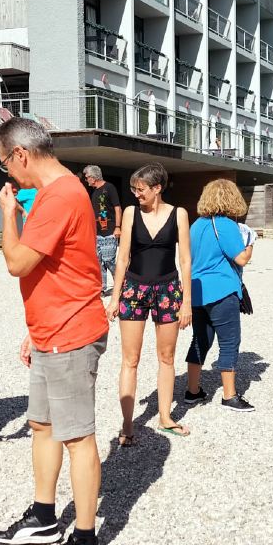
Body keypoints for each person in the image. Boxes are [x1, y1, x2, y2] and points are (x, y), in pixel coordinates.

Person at [0, 118, 110, 545]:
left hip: (71, 333)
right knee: (42, 425)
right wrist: (33, 330)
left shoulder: (59, 196)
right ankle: (43, 517)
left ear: (20, 155)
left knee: (77, 437)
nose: (8, 174)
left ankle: (86, 541)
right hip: (49, 331)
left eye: (5, 164)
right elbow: (53, 268)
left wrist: (7, 214)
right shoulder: (58, 191)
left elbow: (18, 263)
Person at [107, 162, 193, 442]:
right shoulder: (130, 213)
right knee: (130, 359)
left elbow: (185, 260)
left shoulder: (179, 214)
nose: (136, 194)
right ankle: (127, 425)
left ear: (157, 188)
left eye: (140, 189)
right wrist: (115, 298)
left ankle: (166, 417)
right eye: (133, 189)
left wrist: (187, 302)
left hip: (168, 289)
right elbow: (122, 258)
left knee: (166, 357)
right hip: (134, 288)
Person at [182, 179, 255, 412]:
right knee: (229, 341)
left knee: (200, 340)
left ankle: (193, 390)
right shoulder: (225, 225)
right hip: (221, 290)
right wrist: (251, 243)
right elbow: (241, 258)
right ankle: (229, 395)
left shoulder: (196, 225)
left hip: (197, 291)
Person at [83, 165, 121, 296]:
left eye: (87, 177)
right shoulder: (94, 192)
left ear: (93, 177)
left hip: (109, 232)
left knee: (109, 261)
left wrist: (117, 227)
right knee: (99, 263)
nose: (86, 180)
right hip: (97, 234)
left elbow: (117, 208)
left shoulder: (109, 188)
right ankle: (101, 288)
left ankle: (120, 286)